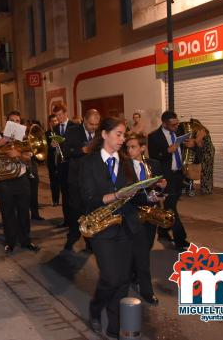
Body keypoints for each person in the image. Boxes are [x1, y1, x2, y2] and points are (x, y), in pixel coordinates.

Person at [80, 117, 156, 337]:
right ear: (104, 134)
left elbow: (135, 197)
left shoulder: (125, 162)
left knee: (122, 281)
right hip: (102, 227)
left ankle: (114, 327)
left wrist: (151, 195)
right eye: (119, 134)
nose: (123, 139)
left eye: (124, 135)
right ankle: (95, 309)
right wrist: (115, 195)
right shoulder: (88, 163)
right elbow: (87, 198)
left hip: (127, 226)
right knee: (111, 277)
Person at [0, 111, 39, 253]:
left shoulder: (24, 138)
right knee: (7, 212)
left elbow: (28, 159)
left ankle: (26, 240)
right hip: (4, 181)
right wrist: (3, 141)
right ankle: (10, 241)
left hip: (21, 179)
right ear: (6, 122)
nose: (15, 123)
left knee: (23, 212)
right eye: (12, 120)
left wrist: (18, 155)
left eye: (17, 120)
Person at [124, 132, 166, 306]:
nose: (129, 150)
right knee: (142, 254)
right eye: (127, 147)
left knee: (146, 248)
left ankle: (133, 275)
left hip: (150, 213)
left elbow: (160, 186)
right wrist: (147, 198)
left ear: (142, 148)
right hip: (134, 213)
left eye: (133, 147)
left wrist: (162, 189)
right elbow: (127, 193)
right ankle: (146, 289)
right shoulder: (124, 166)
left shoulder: (153, 164)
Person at [147, 111, 194, 251]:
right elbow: (154, 157)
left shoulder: (179, 132)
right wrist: (168, 151)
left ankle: (162, 232)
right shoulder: (154, 136)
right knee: (171, 208)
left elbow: (187, 149)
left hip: (179, 175)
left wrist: (193, 145)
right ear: (164, 123)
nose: (176, 126)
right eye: (172, 124)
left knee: (169, 206)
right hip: (165, 177)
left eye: (177, 123)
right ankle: (181, 239)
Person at [62, 109, 100, 251]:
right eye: (91, 124)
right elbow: (66, 151)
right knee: (75, 210)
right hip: (76, 178)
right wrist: (81, 150)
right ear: (84, 120)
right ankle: (72, 236)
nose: (94, 127)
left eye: (96, 125)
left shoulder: (100, 133)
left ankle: (90, 240)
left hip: (93, 180)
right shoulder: (72, 131)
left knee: (90, 210)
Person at [51, 103, 77, 228]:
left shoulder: (75, 126)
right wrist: (53, 146)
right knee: (65, 194)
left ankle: (75, 221)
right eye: (56, 116)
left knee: (74, 194)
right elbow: (55, 147)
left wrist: (66, 143)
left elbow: (78, 145)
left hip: (73, 165)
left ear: (65, 113)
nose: (58, 118)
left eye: (60, 115)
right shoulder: (55, 128)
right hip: (62, 165)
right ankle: (66, 220)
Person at [193, 120, 215, 194]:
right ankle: (207, 189)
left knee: (206, 170)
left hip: (207, 152)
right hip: (208, 150)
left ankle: (206, 189)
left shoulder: (202, 131)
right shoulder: (203, 130)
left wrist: (193, 140)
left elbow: (197, 141)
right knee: (207, 171)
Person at [44, 114, 60, 206]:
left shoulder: (61, 132)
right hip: (52, 161)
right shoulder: (46, 134)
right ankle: (55, 200)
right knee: (53, 181)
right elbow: (44, 149)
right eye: (53, 121)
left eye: (56, 121)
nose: (55, 123)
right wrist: (50, 146)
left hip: (61, 161)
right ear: (49, 123)